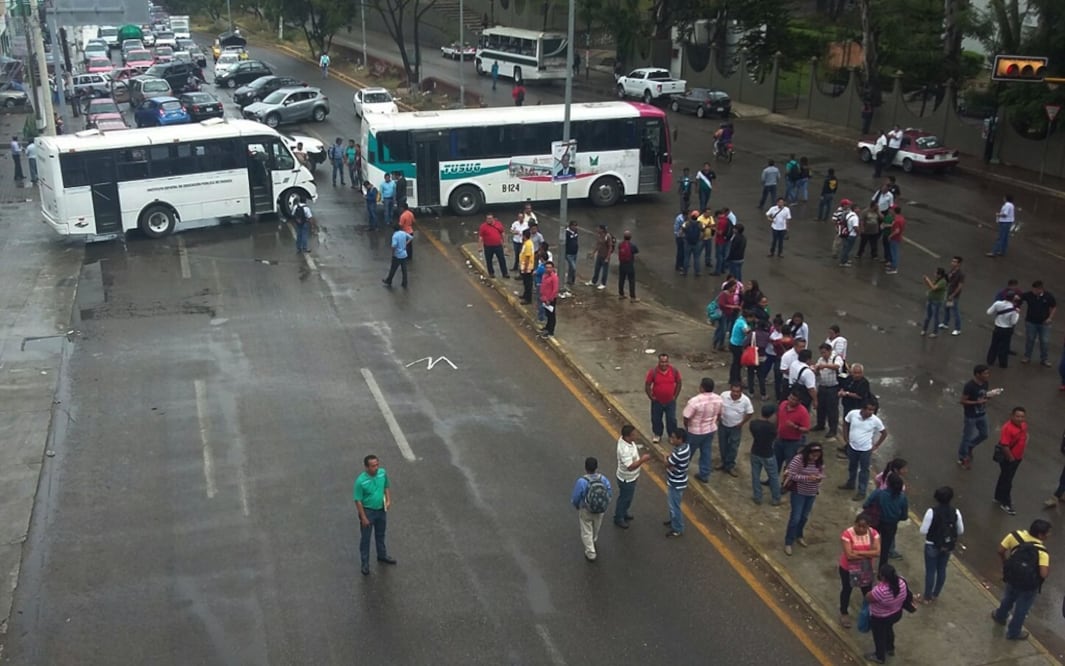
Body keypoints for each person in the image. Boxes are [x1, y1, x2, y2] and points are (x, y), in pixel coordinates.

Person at [992, 520, 1051, 640]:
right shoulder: (1042, 552)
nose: (1048, 535)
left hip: (1012, 576)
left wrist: (1006, 563)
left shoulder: (1014, 536)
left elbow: (1000, 550)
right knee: (1022, 608)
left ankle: (1000, 616)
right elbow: (1043, 574)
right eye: (1047, 533)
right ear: (1040, 535)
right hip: (1028, 585)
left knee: (1008, 597)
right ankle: (1013, 632)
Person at [920, 486, 964, 602]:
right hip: (947, 545)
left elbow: (923, 530)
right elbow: (960, 530)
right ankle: (936, 594)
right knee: (942, 569)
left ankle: (927, 597)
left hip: (932, 544)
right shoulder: (956, 512)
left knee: (930, 571)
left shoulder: (931, 512)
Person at [353, 454, 395, 575]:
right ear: (366, 467)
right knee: (366, 539)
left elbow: (386, 486)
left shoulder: (382, 473)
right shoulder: (360, 481)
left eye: (377, 465)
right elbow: (358, 500)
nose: (376, 468)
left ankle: (382, 555)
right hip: (368, 512)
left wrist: (388, 500)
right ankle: (365, 563)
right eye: (373, 466)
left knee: (380, 534)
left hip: (381, 510)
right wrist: (363, 517)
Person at [839, 512, 881, 628]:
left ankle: (871, 613)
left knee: (867, 592)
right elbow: (849, 556)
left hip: (865, 568)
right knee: (847, 590)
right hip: (847, 568)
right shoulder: (847, 534)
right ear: (855, 524)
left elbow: (877, 552)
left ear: (868, 526)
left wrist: (857, 552)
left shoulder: (873, 534)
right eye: (859, 525)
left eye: (864, 527)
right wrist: (868, 555)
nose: (861, 529)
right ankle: (844, 612)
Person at [865, 564, 912, 663]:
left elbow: (868, 597)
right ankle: (890, 648)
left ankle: (879, 656)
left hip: (880, 618)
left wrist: (876, 584)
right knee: (889, 629)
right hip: (896, 613)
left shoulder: (880, 591)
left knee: (879, 636)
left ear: (883, 577)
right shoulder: (902, 582)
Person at [839, 402, 887, 501]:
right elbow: (846, 423)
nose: (870, 412)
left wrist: (876, 445)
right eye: (868, 409)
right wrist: (845, 437)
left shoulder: (875, 420)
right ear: (863, 409)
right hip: (852, 447)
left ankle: (862, 491)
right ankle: (850, 483)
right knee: (852, 466)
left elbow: (884, 433)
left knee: (864, 471)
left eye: (872, 410)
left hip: (865, 450)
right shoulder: (853, 414)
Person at [783, 442, 825, 555]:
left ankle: (799, 535)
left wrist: (819, 478)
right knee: (795, 517)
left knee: (804, 516)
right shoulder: (799, 459)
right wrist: (808, 478)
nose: (815, 458)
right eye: (813, 456)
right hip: (799, 492)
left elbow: (822, 472)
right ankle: (788, 541)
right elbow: (791, 474)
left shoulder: (819, 462)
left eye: (817, 456)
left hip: (811, 493)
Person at [570, 456, 612, 561]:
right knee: (596, 526)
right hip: (600, 509)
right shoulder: (603, 479)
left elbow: (576, 497)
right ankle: (594, 539)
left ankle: (590, 552)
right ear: (596, 467)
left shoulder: (582, 481)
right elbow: (609, 492)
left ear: (585, 468)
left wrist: (577, 506)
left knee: (586, 530)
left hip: (586, 509)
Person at [863, 473, 908, 569]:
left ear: (887, 483)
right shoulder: (902, 498)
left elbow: (866, 505)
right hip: (891, 525)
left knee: (870, 545)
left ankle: (866, 567)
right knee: (885, 549)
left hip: (875, 522)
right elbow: (904, 516)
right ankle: (881, 571)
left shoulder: (879, 493)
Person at [682, 377, 723, 483]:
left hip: (695, 431)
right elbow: (719, 415)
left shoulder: (695, 401)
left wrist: (687, 427)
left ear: (702, 388)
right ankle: (704, 474)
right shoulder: (718, 399)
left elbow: (686, 416)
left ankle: (681, 471)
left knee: (688, 452)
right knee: (706, 452)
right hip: (710, 430)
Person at [957, 364, 995, 469]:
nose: (987, 375)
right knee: (967, 437)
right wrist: (977, 402)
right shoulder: (970, 386)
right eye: (985, 373)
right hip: (971, 416)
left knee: (984, 434)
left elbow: (984, 395)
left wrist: (989, 396)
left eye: (988, 373)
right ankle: (962, 457)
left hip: (982, 414)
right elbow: (963, 401)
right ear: (978, 374)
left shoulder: (985, 383)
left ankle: (970, 446)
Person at [614, 425, 652, 529]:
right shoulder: (624, 450)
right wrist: (642, 460)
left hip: (632, 477)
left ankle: (624, 512)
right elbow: (630, 467)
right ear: (627, 436)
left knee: (628, 498)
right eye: (634, 434)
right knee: (625, 498)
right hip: (627, 478)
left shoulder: (628, 442)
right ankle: (619, 517)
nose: (636, 435)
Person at [993, 406, 1028, 516]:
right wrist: (1011, 459)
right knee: (1007, 481)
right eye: (1017, 416)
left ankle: (998, 496)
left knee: (1004, 477)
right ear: (1012, 416)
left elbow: (1025, 436)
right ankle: (1006, 503)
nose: (1020, 419)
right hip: (1010, 459)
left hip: (1018, 457)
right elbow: (1005, 445)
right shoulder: (1007, 428)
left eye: (1022, 416)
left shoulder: (1023, 426)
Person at [719, 380, 754, 478]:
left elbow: (750, 413)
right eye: (733, 391)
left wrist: (742, 423)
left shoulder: (745, 401)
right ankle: (723, 462)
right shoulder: (723, 395)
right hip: (723, 425)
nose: (735, 393)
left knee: (733, 447)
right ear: (730, 389)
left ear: (741, 391)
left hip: (736, 427)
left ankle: (730, 465)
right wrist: (719, 418)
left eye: (737, 391)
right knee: (723, 445)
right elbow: (718, 406)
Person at [646, 353, 682, 444]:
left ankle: (671, 435)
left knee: (671, 420)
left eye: (666, 362)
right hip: (657, 401)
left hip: (670, 402)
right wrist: (651, 397)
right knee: (656, 419)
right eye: (662, 362)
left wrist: (675, 396)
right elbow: (647, 385)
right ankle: (657, 434)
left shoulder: (674, 371)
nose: (664, 364)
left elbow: (679, 382)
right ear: (659, 362)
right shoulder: (653, 372)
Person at [750, 403, 781, 505]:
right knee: (773, 476)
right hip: (767, 454)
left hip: (755, 451)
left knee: (755, 475)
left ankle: (757, 497)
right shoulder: (771, 428)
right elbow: (776, 436)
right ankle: (776, 498)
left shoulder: (753, 424)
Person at [1020, 281, 1056, 366]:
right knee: (1030, 340)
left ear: (1040, 289)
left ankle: (1044, 359)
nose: (1033, 291)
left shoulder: (1048, 296)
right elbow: (1019, 298)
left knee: (1044, 341)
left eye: (1035, 290)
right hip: (1030, 322)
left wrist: (1050, 318)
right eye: (1033, 289)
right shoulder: (1029, 295)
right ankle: (1027, 356)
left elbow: (1054, 307)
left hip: (1044, 324)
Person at [774, 390, 810, 472]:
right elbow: (778, 418)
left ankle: (786, 483)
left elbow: (807, 430)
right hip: (780, 439)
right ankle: (772, 480)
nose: (790, 400)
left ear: (799, 401)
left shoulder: (803, 412)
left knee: (790, 465)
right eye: (790, 397)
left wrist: (795, 427)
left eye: (794, 399)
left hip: (793, 442)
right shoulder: (783, 404)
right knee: (775, 462)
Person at [664, 428, 691, 538]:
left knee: (674, 506)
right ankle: (673, 521)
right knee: (673, 504)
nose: (671, 439)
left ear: (680, 440)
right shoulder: (685, 447)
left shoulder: (678, 454)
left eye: (674, 438)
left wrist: (666, 458)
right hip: (678, 479)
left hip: (676, 482)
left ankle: (677, 528)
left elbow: (667, 462)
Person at [986, 293, 1022, 368]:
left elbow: (988, 312)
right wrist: (1018, 314)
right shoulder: (1013, 309)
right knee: (1004, 347)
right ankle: (1002, 363)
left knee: (994, 345)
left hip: (997, 328)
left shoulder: (997, 303)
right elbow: (1013, 322)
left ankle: (990, 360)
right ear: (1013, 299)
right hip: (1007, 330)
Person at [939, 256, 965, 335]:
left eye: (955, 262)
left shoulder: (961, 274)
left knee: (955, 312)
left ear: (959, 264)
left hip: (953, 296)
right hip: (948, 293)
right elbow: (948, 280)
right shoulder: (952, 271)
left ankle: (958, 329)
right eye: (952, 261)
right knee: (946, 308)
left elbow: (960, 286)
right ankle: (945, 323)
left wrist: (953, 295)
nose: (952, 263)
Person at [919, 268, 949, 336]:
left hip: (937, 302)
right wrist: (926, 281)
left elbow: (933, 288)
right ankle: (924, 330)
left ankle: (935, 332)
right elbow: (931, 286)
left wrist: (927, 279)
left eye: (936, 273)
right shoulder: (937, 279)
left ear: (939, 275)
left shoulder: (943, 281)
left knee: (935, 317)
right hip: (930, 299)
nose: (934, 274)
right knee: (927, 316)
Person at [382, 224, 413, 288]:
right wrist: (406, 243)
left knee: (393, 269)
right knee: (404, 270)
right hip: (404, 255)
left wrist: (393, 254)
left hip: (397, 255)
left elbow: (393, 246)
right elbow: (411, 237)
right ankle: (405, 282)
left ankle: (389, 280)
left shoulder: (395, 236)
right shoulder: (403, 233)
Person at [478, 214, 509, 278]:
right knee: (489, 260)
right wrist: (480, 247)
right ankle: (491, 273)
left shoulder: (498, 224)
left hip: (498, 246)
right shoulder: (483, 226)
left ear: (493, 219)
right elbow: (481, 237)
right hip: (488, 246)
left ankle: (505, 273)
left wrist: (505, 243)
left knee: (502, 259)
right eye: (488, 218)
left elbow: (503, 233)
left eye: (490, 218)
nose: (489, 220)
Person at [586, 224, 614, 290]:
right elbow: (598, 245)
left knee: (605, 271)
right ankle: (594, 281)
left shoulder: (608, 236)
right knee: (596, 269)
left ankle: (603, 283)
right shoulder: (599, 235)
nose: (597, 229)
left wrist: (607, 257)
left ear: (602, 229)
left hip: (605, 256)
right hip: (599, 255)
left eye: (598, 228)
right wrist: (593, 253)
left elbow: (610, 247)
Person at [616, 230, 639, 300]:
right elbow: (636, 251)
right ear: (630, 237)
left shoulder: (620, 244)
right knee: (631, 281)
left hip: (622, 264)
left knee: (621, 279)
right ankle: (632, 297)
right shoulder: (632, 245)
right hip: (629, 265)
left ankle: (621, 294)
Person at [539, 261, 558, 338]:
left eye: (550, 267)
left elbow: (555, 290)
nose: (548, 269)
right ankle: (547, 327)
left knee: (551, 315)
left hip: (550, 300)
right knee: (547, 314)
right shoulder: (544, 276)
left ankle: (551, 331)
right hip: (544, 298)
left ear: (553, 268)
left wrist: (549, 300)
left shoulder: (554, 278)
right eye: (547, 267)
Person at [885, 205, 905, 274]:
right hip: (898, 238)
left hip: (895, 239)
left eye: (891, 210)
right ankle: (893, 265)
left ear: (894, 211)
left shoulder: (897, 220)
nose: (890, 211)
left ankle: (894, 268)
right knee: (895, 252)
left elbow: (897, 230)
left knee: (894, 253)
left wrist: (890, 236)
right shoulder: (901, 218)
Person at [518, 229, 535, 303]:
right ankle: (525, 295)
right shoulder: (526, 243)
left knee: (528, 283)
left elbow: (528, 257)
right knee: (525, 282)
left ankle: (528, 299)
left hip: (527, 267)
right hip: (524, 266)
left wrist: (525, 268)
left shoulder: (528, 244)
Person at [563, 220, 579, 288]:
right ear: (570, 226)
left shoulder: (576, 232)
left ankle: (570, 281)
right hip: (568, 253)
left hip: (574, 252)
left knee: (571, 268)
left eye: (576, 225)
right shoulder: (566, 233)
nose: (575, 227)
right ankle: (572, 279)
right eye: (574, 225)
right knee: (573, 267)